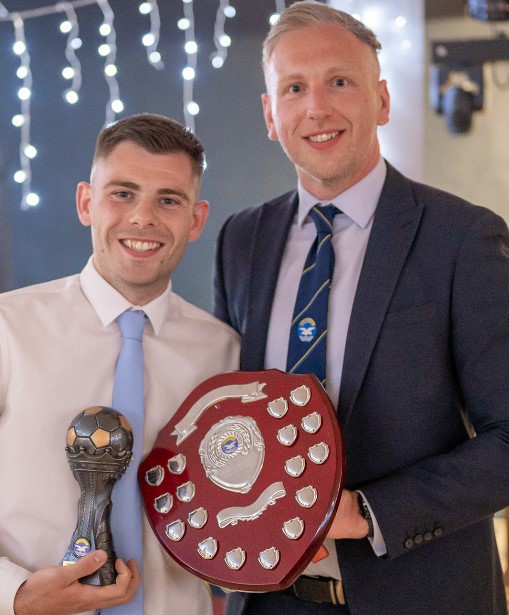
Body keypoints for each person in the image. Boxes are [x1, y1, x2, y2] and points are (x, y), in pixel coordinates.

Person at [213, 2, 509, 614]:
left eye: (340, 82)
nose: (316, 108)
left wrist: (367, 513)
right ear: (270, 115)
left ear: (382, 100)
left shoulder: (462, 238)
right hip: (267, 600)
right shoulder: (240, 239)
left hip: (418, 597)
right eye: (294, 88)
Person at [0, 113, 240, 615]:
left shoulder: (222, 354)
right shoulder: (8, 328)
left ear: (196, 219)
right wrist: (14, 594)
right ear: (86, 203)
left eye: (168, 200)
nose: (142, 217)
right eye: (123, 193)